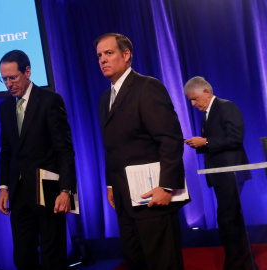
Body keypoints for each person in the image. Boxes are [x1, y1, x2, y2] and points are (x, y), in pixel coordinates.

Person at [95, 33, 188, 270]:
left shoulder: (147, 87)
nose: (103, 60)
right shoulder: (105, 98)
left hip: (153, 197)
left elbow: (170, 139)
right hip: (125, 201)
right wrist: (110, 185)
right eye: (99, 56)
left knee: (162, 263)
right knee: (136, 261)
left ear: (126, 55)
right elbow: (111, 146)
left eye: (109, 53)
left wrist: (167, 186)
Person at [0, 50, 77, 270]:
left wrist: (66, 190)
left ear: (28, 71)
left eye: (13, 77)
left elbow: (64, 150)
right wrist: (4, 187)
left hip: (48, 189)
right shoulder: (5, 107)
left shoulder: (50, 100)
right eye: (4, 79)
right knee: (23, 257)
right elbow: (7, 151)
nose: (9, 84)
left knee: (53, 256)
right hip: (19, 193)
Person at [184, 76, 256, 270]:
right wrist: (198, 143)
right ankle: (244, 263)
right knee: (231, 219)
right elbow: (216, 140)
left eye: (195, 99)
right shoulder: (207, 113)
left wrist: (205, 141)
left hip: (231, 172)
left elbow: (235, 138)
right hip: (220, 174)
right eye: (190, 100)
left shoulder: (225, 107)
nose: (193, 103)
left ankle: (235, 264)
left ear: (206, 93)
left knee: (227, 219)